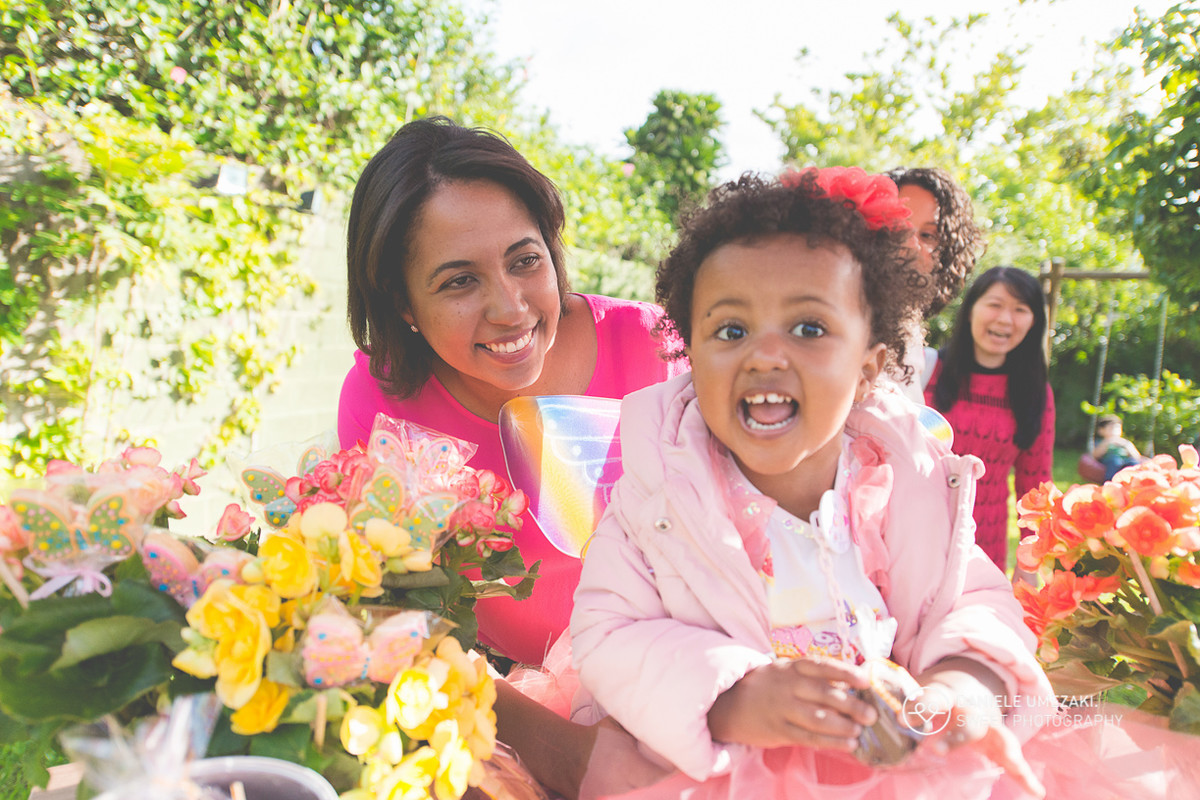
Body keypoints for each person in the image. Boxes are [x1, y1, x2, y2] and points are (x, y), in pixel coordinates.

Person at [570, 169, 1053, 800]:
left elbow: (975, 602)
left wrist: (962, 684)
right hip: (718, 777)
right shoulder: (660, 491)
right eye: (731, 330)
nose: (766, 355)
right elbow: (609, 631)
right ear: (691, 353)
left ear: (869, 367)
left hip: (899, 771)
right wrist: (733, 696)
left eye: (808, 329)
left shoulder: (903, 482)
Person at [337, 116, 686, 797]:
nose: (509, 308)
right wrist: (564, 754)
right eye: (458, 282)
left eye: (525, 260)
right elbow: (393, 614)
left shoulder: (658, 347)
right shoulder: (384, 404)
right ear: (402, 303)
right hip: (519, 716)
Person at [924, 266, 1055, 573]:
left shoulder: (1036, 393)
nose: (1005, 319)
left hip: (983, 552)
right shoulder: (925, 371)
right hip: (913, 539)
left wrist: (1028, 567)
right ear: (971, 310)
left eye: (1020, 309)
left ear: (1034, 321)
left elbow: (1035, 486)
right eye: (995, 304)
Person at [886, 167, 985, 401]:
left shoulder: (910, 335)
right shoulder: (839, 317)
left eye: (928, 235)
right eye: (897, 228)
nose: (909, 245)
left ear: (947, 254)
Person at [1091, 414, 1144, 480]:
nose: (1115, 431)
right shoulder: (1101, 442)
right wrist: (1107, 442)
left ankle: (1135, 480)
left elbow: (1137, 457)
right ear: (1101, 431)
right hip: (1110, 461)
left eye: (1118, 428)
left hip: (1125, 461)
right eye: (1111, 428)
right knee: (1115, 461)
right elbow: (1095, 455)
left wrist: (1127, 446)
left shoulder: (1125, 442)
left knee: (1133, 463)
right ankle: (1110, 480)